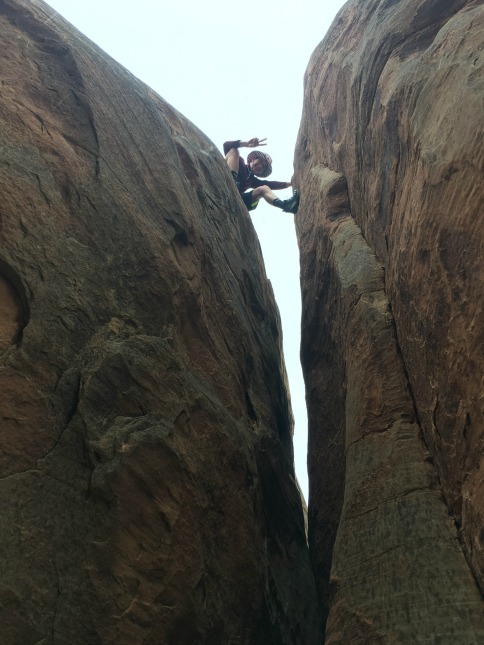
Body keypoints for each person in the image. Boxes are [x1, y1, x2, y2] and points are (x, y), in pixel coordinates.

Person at [224, 138, 300, 213]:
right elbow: (226, 145)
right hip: (226, 183)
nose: (260, 166)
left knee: (264, 188)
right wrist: (246, 144)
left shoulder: (252, 180)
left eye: (263, 167)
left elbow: (271, 184)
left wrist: (291, 183)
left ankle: (286, 206)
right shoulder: (239, 162)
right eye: (260, 162)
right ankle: (232, 180)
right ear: (253, 159)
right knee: (234, 151)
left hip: (237, 199)